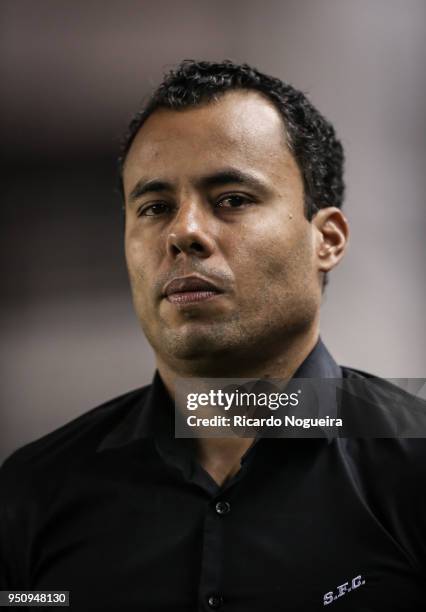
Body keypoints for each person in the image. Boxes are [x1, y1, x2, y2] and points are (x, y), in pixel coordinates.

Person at [0, 60, 425, 611]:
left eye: (232, 199)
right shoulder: (34, 492)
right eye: (155, 208)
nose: (184, 233)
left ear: (327, 239)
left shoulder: (412, 467)